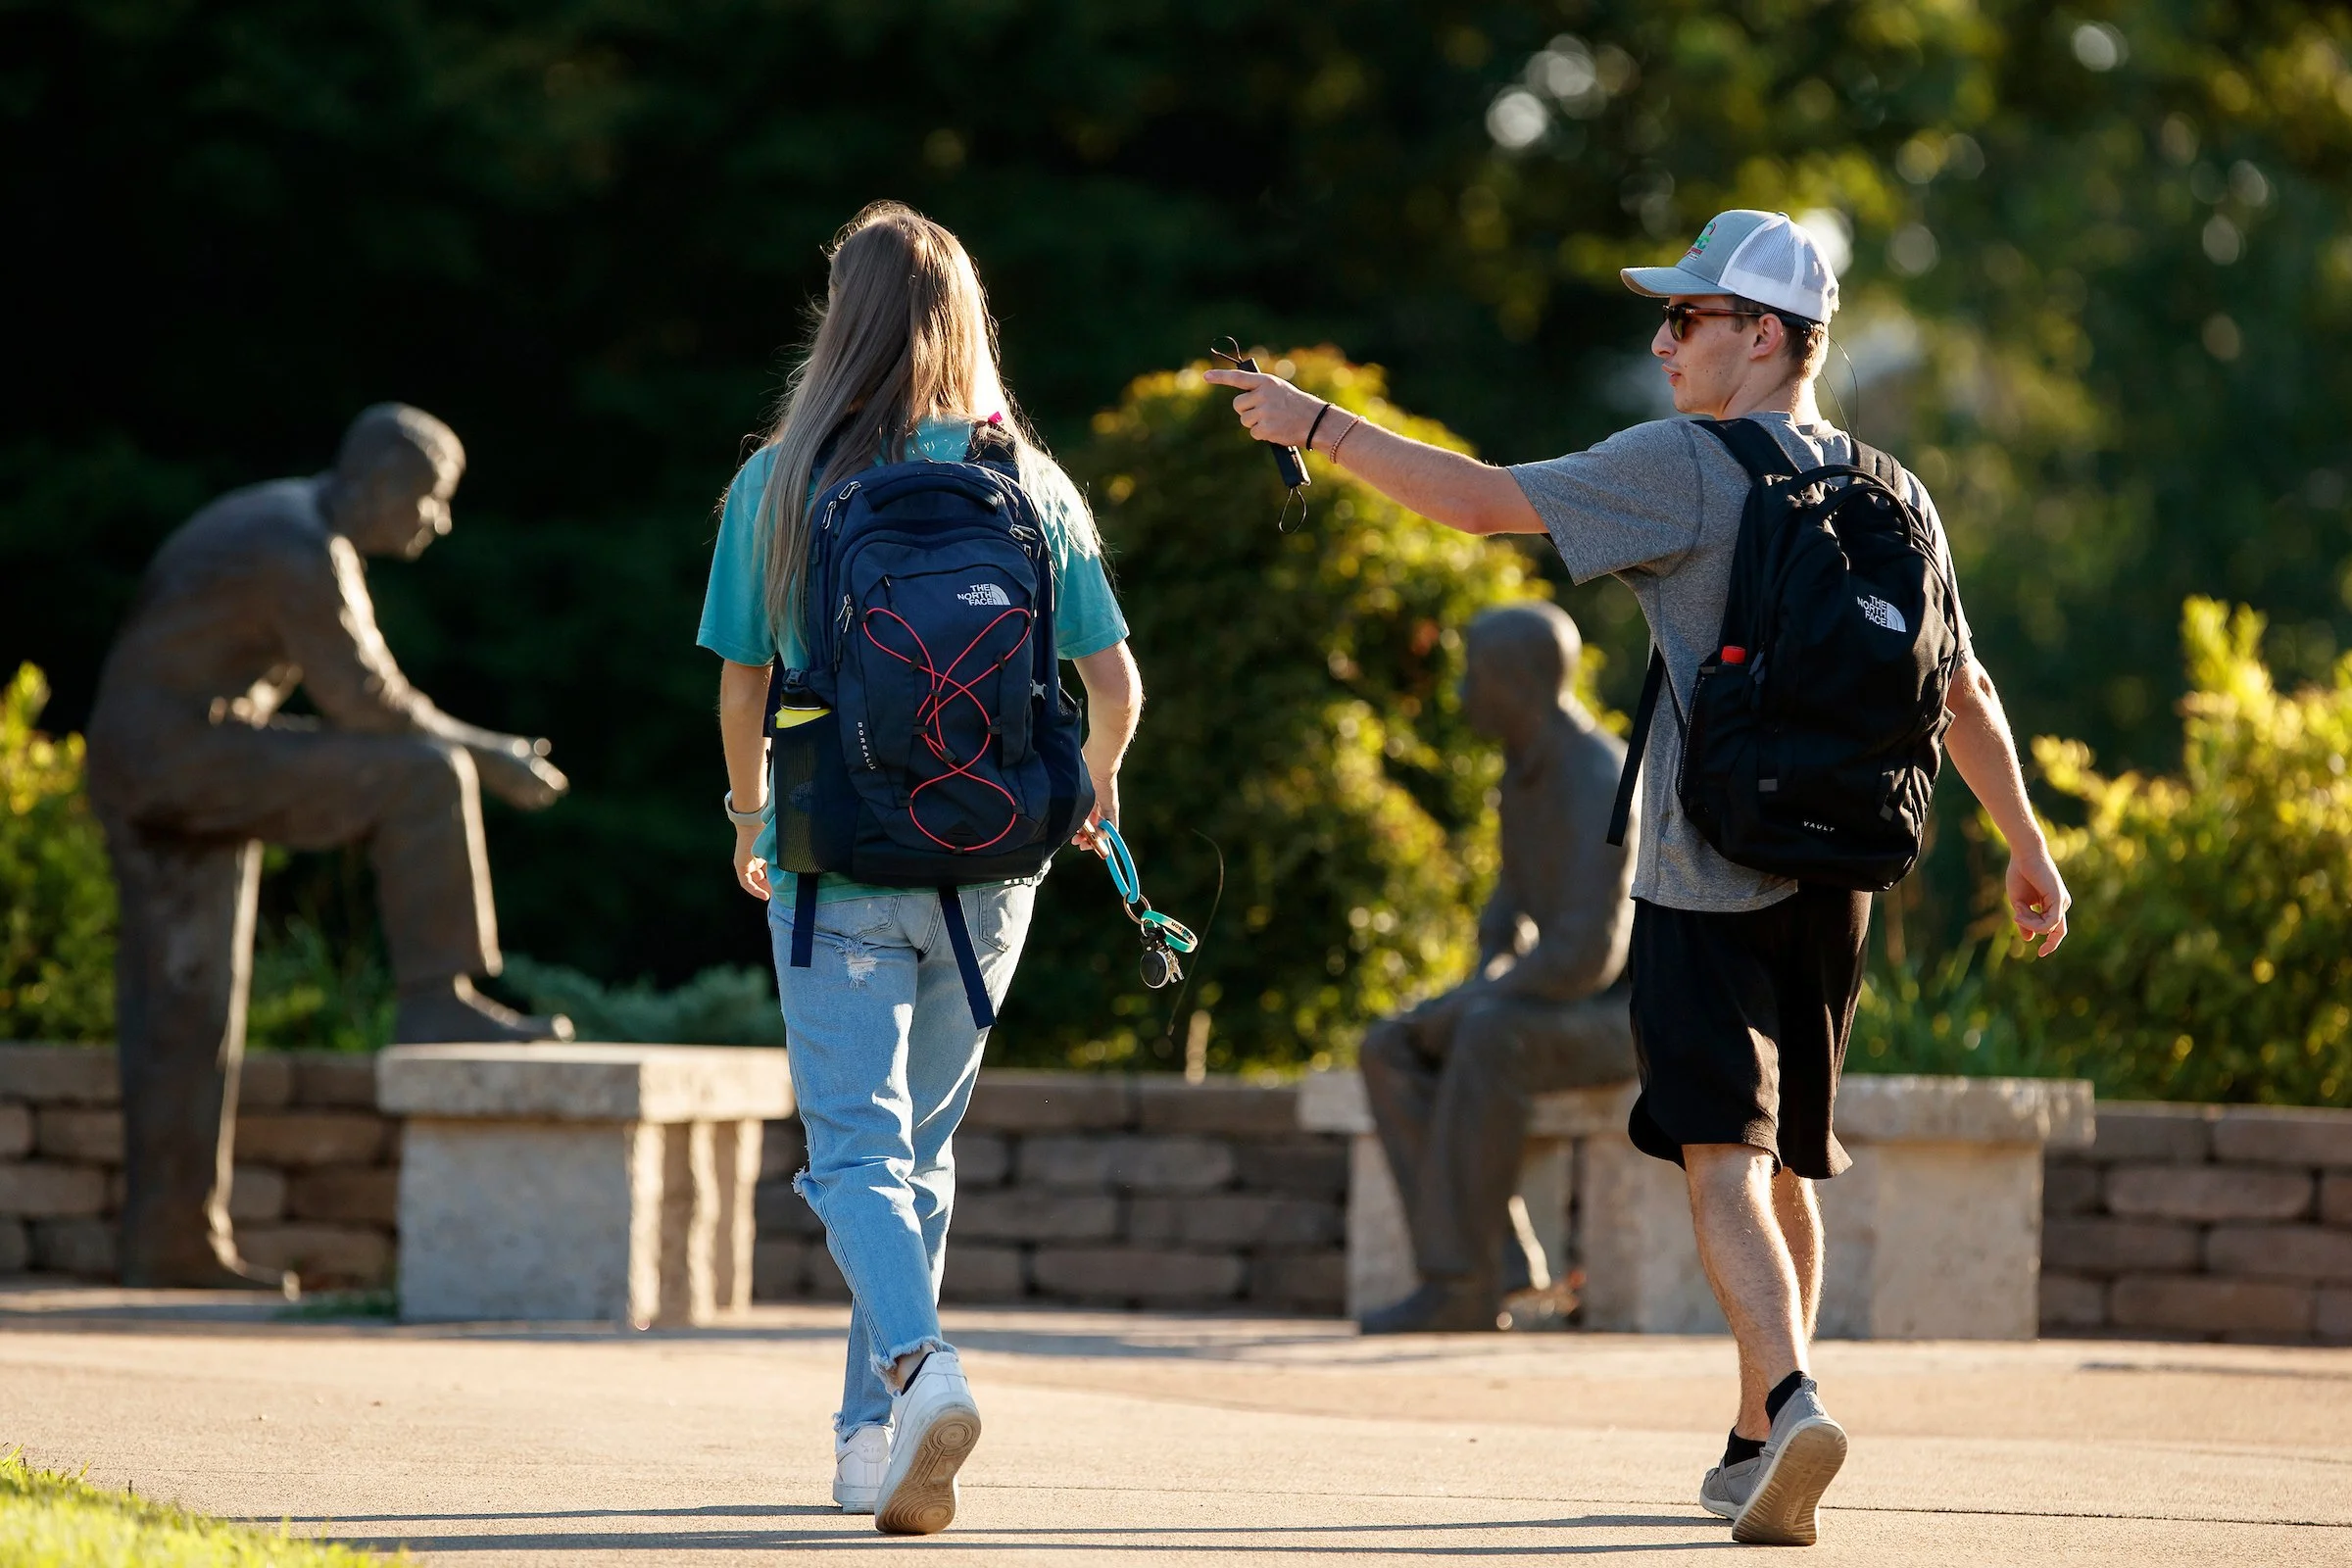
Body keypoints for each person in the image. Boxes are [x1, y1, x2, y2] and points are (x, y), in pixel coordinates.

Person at [1207, 209, 2070, 1547]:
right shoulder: (1897, 489)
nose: (1663, 343)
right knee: (1791, 1161)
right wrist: (2028, 846)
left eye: (1686, 317)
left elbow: (1481, 502)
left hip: (1706, 869)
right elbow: (1966, 690)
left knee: (1722, 1158)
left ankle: (1793, 1400)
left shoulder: (1687, 466)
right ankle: (1756, 1439)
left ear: (1763, 336)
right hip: (1842, 877)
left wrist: (1315, 425)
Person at [698, 203, 1141, 1536]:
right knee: (918, 1155)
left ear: (841, 319)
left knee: (854, 1154)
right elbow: (1116, 685)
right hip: (991, 867)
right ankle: (864, 1442)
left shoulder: (780, 481)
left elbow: (742, 684)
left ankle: (914, 1368)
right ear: (967, 320)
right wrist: (1093, 790)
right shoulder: (1031, 481)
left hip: (835, 855)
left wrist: (749, 813)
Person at [85, 403, 571, 1293]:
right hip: (176, 762)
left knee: (189, 1009)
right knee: (425, 777)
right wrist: (489, 756)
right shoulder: (298, 545)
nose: (439, 521)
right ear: (379, 483)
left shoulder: (291, 526)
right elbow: (367, 702)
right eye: (430, 498)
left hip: (163, 762)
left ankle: (170, 1240)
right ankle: (435, 997)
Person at [1357, 601, 1637, 1335]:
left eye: (1474, 677)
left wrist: (1473, 1004)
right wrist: (1470, 989)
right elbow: (1508, 911)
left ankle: (1461, 1285)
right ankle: (1497, 1264)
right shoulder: (1524, 771)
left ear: (1520, 683)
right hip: (1558, 1001)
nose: (1461, 695)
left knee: (1487, 1035)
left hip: (1635, 1019)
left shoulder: (1596, 778)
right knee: (1391, 1046)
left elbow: (1588, 956)